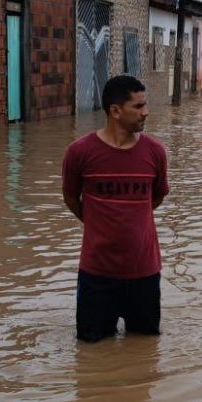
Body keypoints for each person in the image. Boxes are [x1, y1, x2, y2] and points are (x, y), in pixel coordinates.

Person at [62, 75, 170, 342]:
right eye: (138, 106)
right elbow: (71, 198)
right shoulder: (80, 152)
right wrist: (99, 224)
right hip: (96, 274)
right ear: (115, 111)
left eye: (146, 105)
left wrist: (132, 218)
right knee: (90, 351)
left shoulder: (155, 152)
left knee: (145, 351)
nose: (146, 112)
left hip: (144, 273)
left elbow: (155, 198)